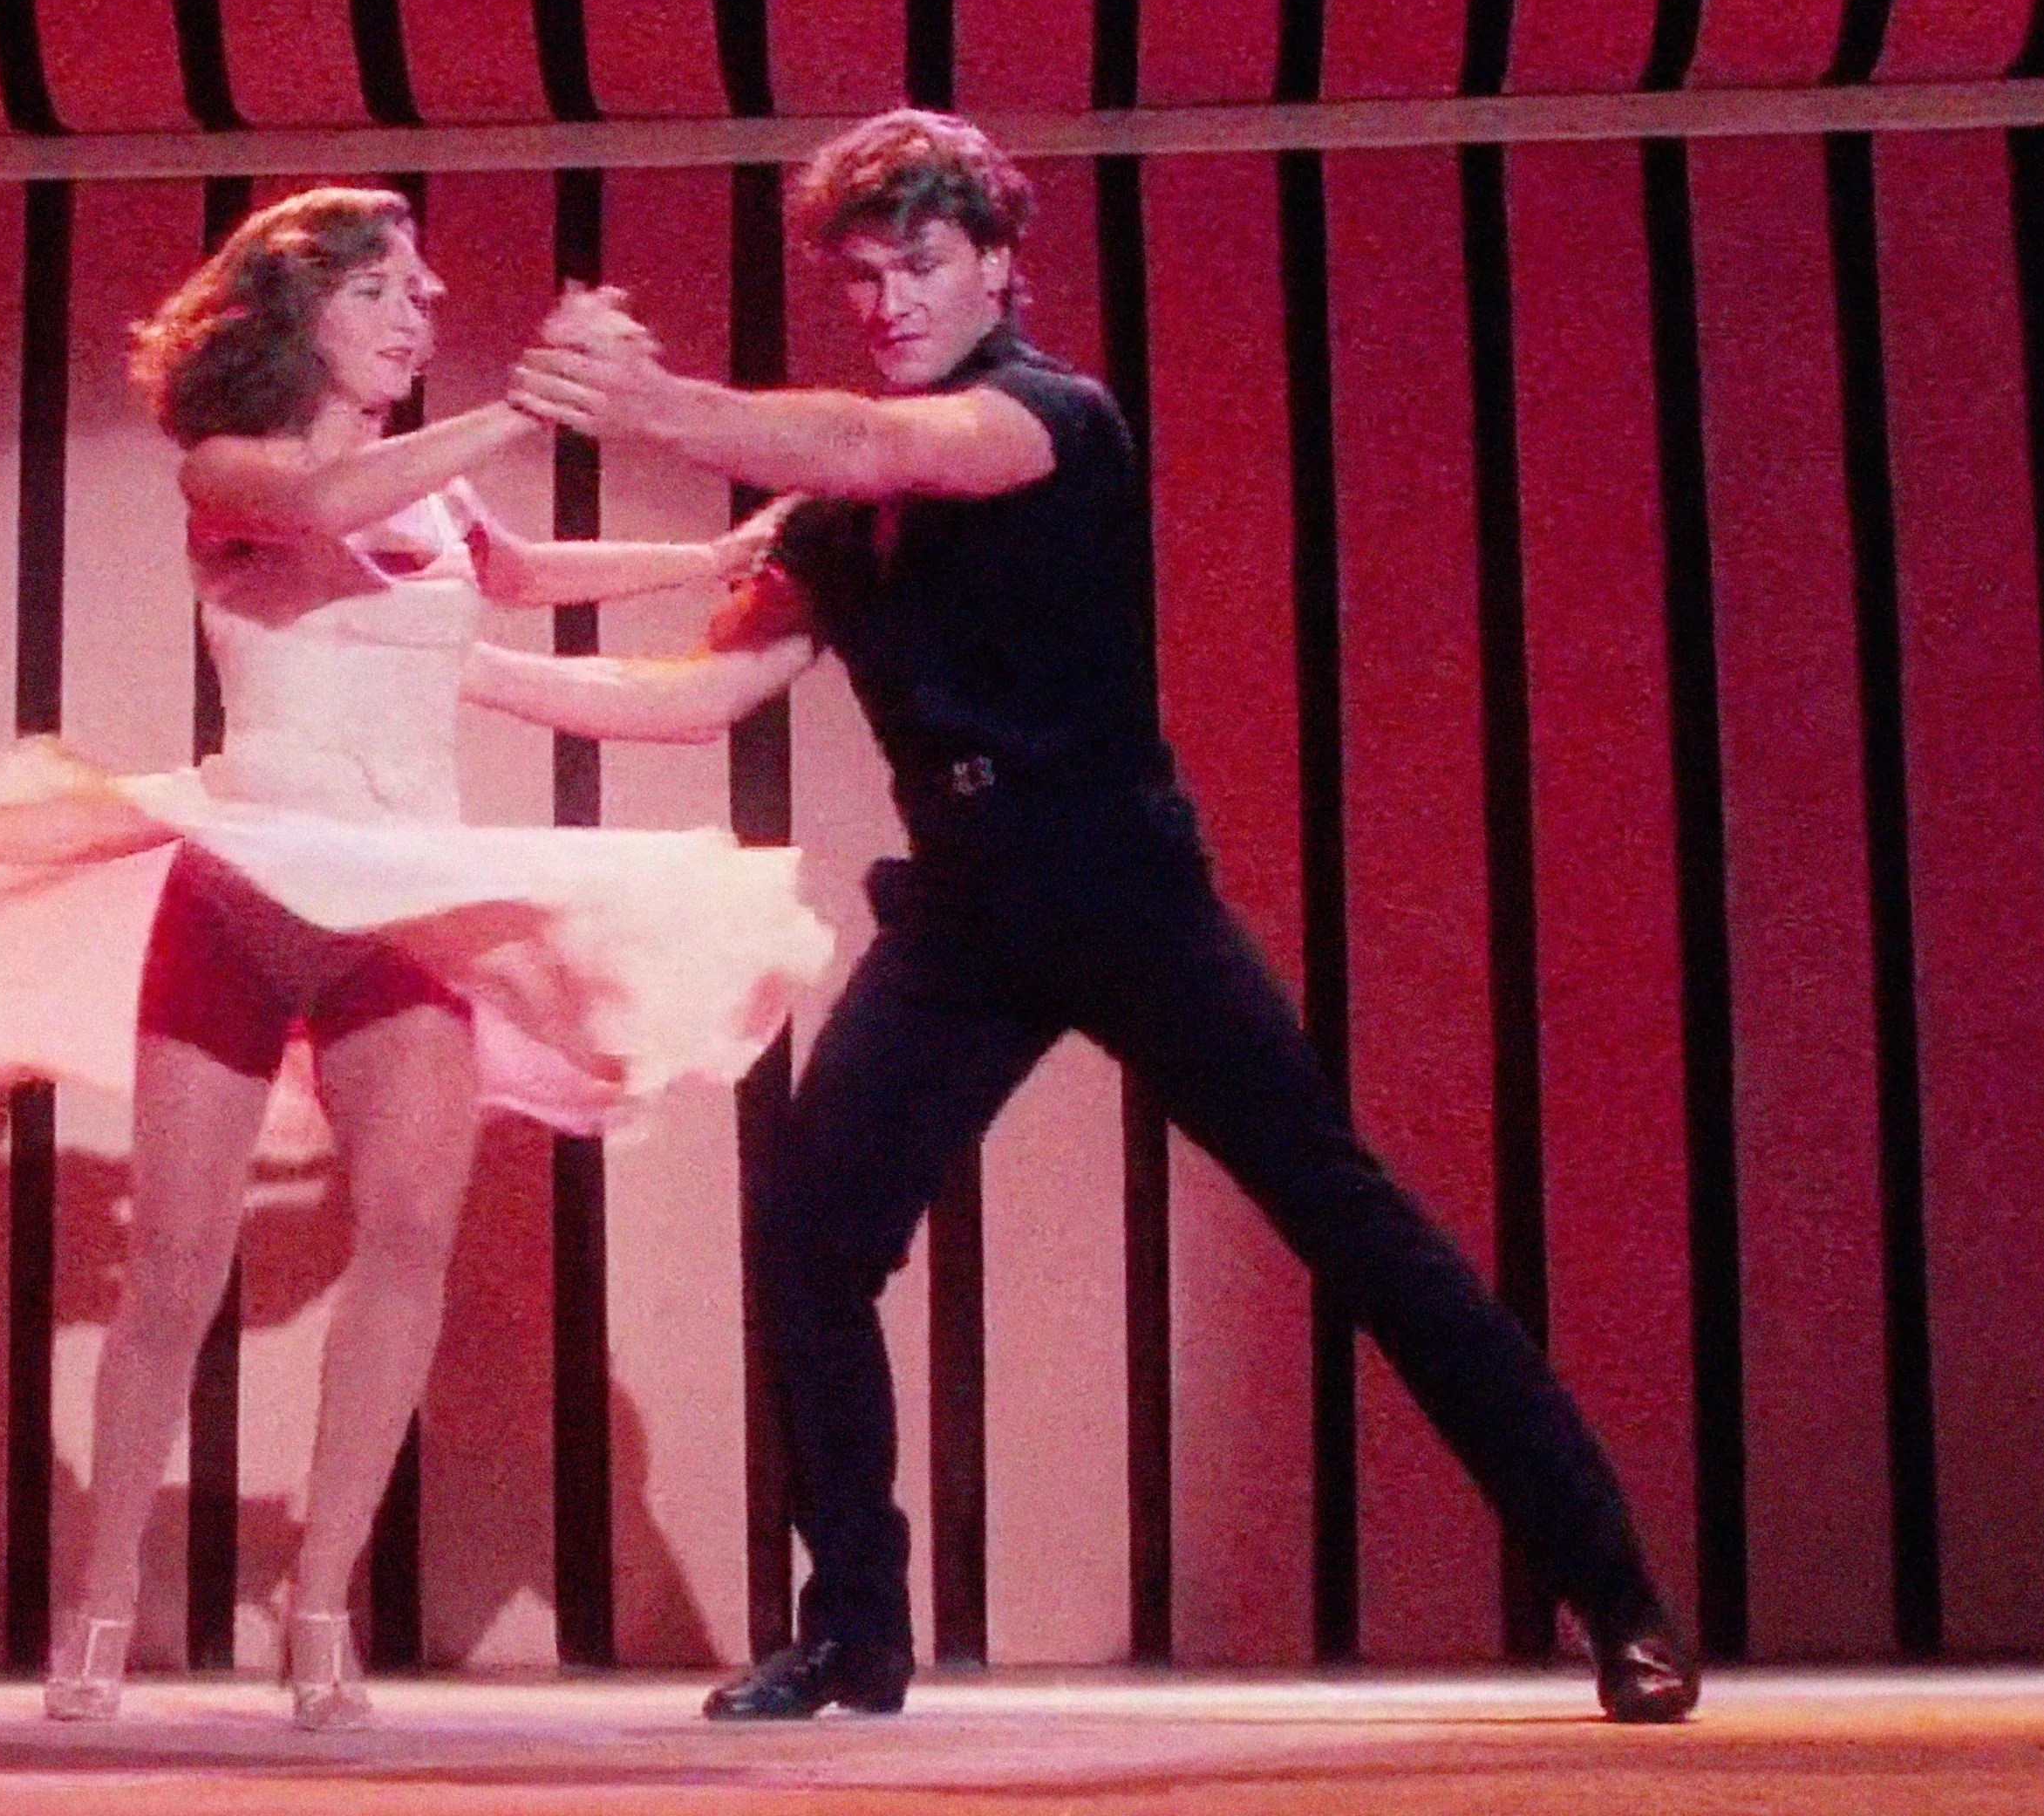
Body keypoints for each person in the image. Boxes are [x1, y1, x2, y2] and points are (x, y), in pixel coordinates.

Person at [482, 109, 1699, 1724]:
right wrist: (459, 670)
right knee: (810, 1242)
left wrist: (649, 403)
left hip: (1121, 891)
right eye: (861, 276)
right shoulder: (836, 513)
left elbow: (874, 444)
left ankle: (1618, 1603)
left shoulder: (1048, 415)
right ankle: (855, 1633)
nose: (888, 301)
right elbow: (700, 691)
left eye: (921, 264)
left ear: (996, 263)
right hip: (962, 919)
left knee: (1356, 1231)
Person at [0, 187, 831, 1730]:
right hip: (249, 893)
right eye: (382, 291)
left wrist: (714, 555)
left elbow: (517, 572)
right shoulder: (232, 468)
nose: (418, 313)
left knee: (408, 1237)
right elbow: (329, 502)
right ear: (298, 312)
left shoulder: (437, 495)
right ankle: (101, 1596)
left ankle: (320, 1602)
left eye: (423, 290)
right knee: (176, 1270)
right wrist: (527, 403)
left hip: (398, 903)